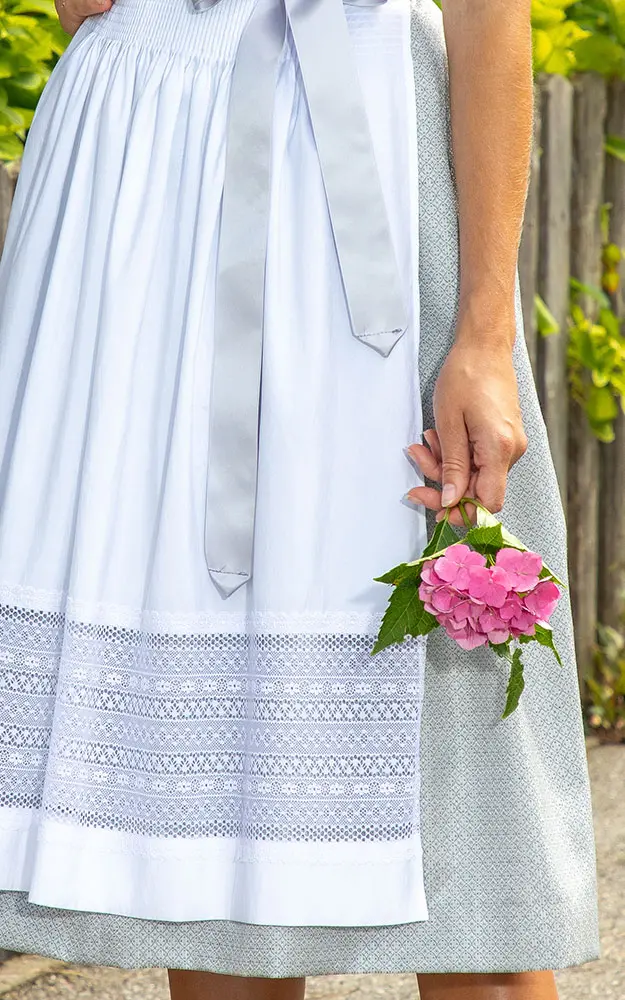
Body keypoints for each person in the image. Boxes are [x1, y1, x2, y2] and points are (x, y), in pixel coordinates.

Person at [0, 0, 599, 997]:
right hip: (145, 170)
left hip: (369, 150)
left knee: (471, 894)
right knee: (210, 877)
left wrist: (485, 333)